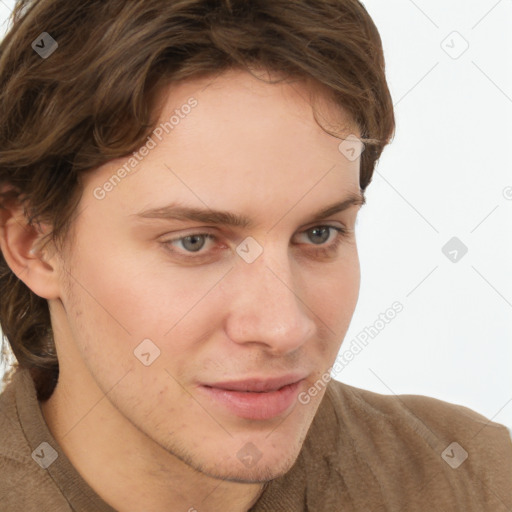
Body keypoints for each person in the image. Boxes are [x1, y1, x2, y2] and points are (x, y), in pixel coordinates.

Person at [0, 0, 510, 511]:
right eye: (194, 242)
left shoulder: (478, 485)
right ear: (34, 245)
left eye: (318, 234)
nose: (283, 327)